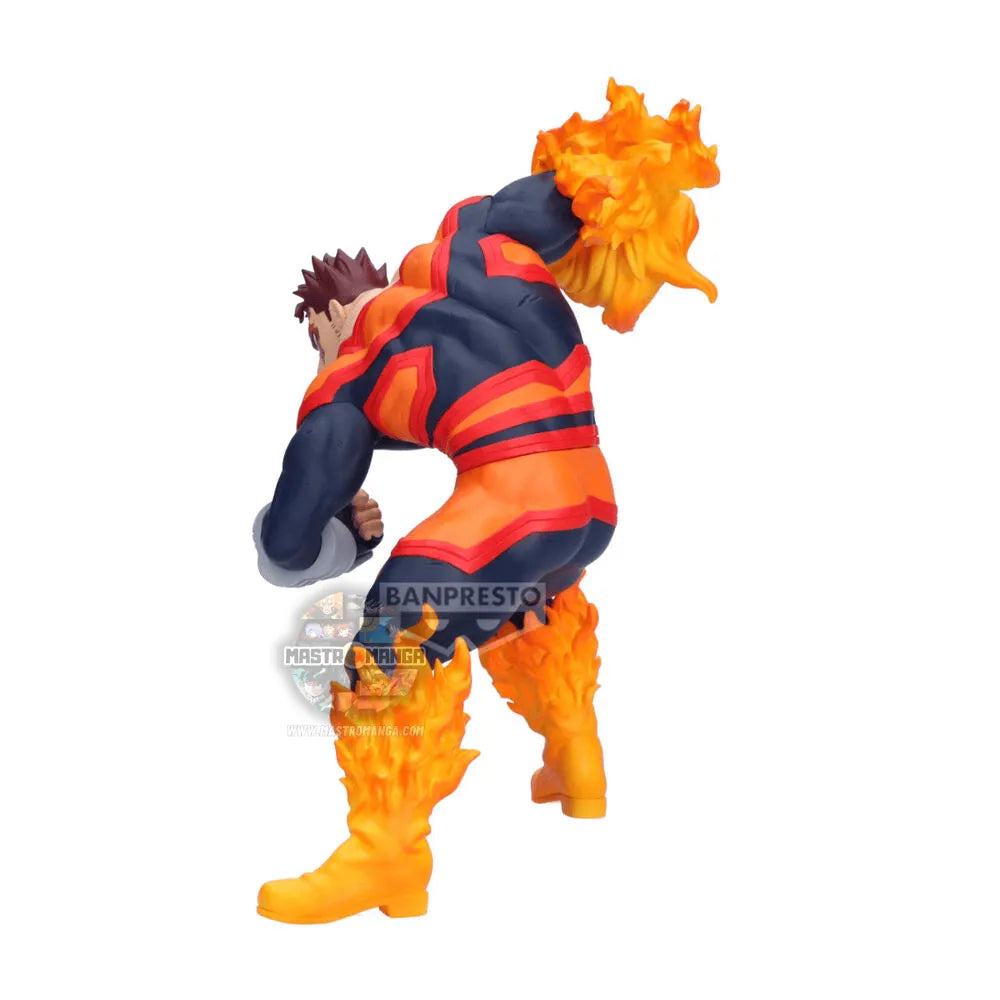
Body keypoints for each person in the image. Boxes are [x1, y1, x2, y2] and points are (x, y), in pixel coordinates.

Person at [252, 80, 719, 924]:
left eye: (316, 340)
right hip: (590, 498)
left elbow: (288, 541)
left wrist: (339, 538)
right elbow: (572, 197)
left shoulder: (348, 366)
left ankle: (388, 855)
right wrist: (634, 175)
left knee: (394, 637)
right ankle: (577, 762)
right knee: (522, 596)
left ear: (326, 318)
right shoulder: (469, 239)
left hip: (512, 500)